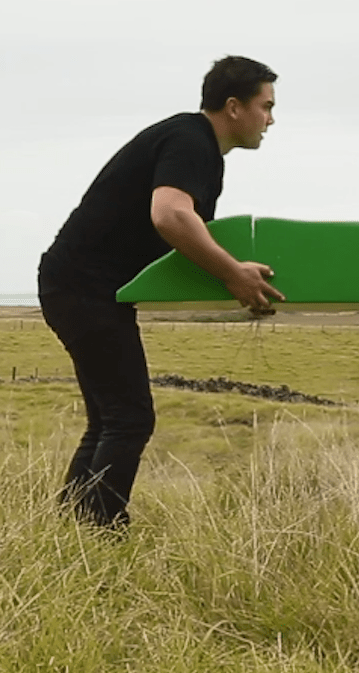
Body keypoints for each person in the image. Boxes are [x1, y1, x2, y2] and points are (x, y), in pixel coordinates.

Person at [38, 56, 286, 530]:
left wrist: (230, 270)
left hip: (80, 285)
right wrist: (233, 274)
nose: (271, 120)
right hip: (85, 288)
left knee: (111, 419)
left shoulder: (194, 145)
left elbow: (180, 234)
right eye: (266, 106)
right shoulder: (191, 141)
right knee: (129, 419)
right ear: (233, 107)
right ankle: (101, 533)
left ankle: (74, 531)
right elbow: (170, 216)